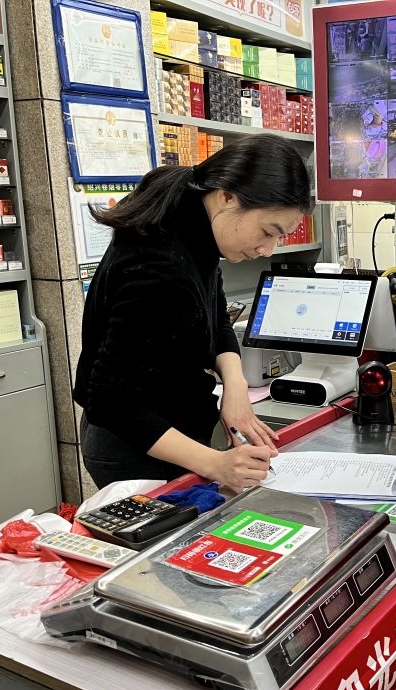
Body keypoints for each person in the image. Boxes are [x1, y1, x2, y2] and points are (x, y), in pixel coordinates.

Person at [73, 135, 312, 492]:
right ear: (227, 195)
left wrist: (236, 385)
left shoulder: (193, 220)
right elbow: (112, 399)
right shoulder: (160, 264)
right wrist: (216, 464)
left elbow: (216, 312)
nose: (267, 250)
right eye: (267, 232)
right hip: (137, 444)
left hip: (175, 429)